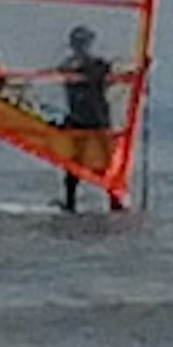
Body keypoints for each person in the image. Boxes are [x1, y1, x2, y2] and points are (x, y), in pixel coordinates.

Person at [49, 25, 120, 211]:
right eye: (77, 43)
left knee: (108, 163)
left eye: (83, 43)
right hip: (79, 120)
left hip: (99, 120)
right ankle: (70, 202)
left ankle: (114, 201)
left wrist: (141, 69)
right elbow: (63, 73)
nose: (80, 47)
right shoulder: (68, 65)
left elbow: (114, 75)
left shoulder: (98, 64)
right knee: (73, 164)